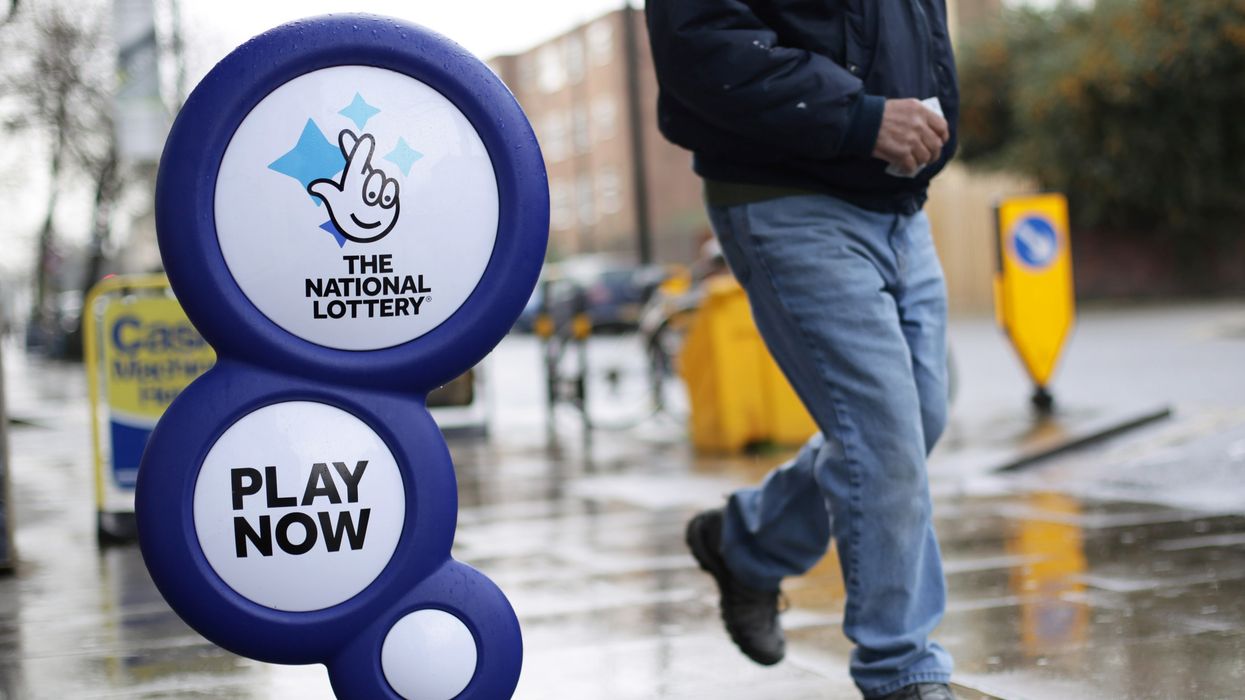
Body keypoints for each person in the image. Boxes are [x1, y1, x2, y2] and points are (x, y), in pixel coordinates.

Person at [645, 2, 960, 699]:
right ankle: (901, 672)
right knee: (883, 442)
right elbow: (698, 39)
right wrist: (861, 116)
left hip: (898, 203)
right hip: (787, 196)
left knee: (919, 420)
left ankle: (745, 544)